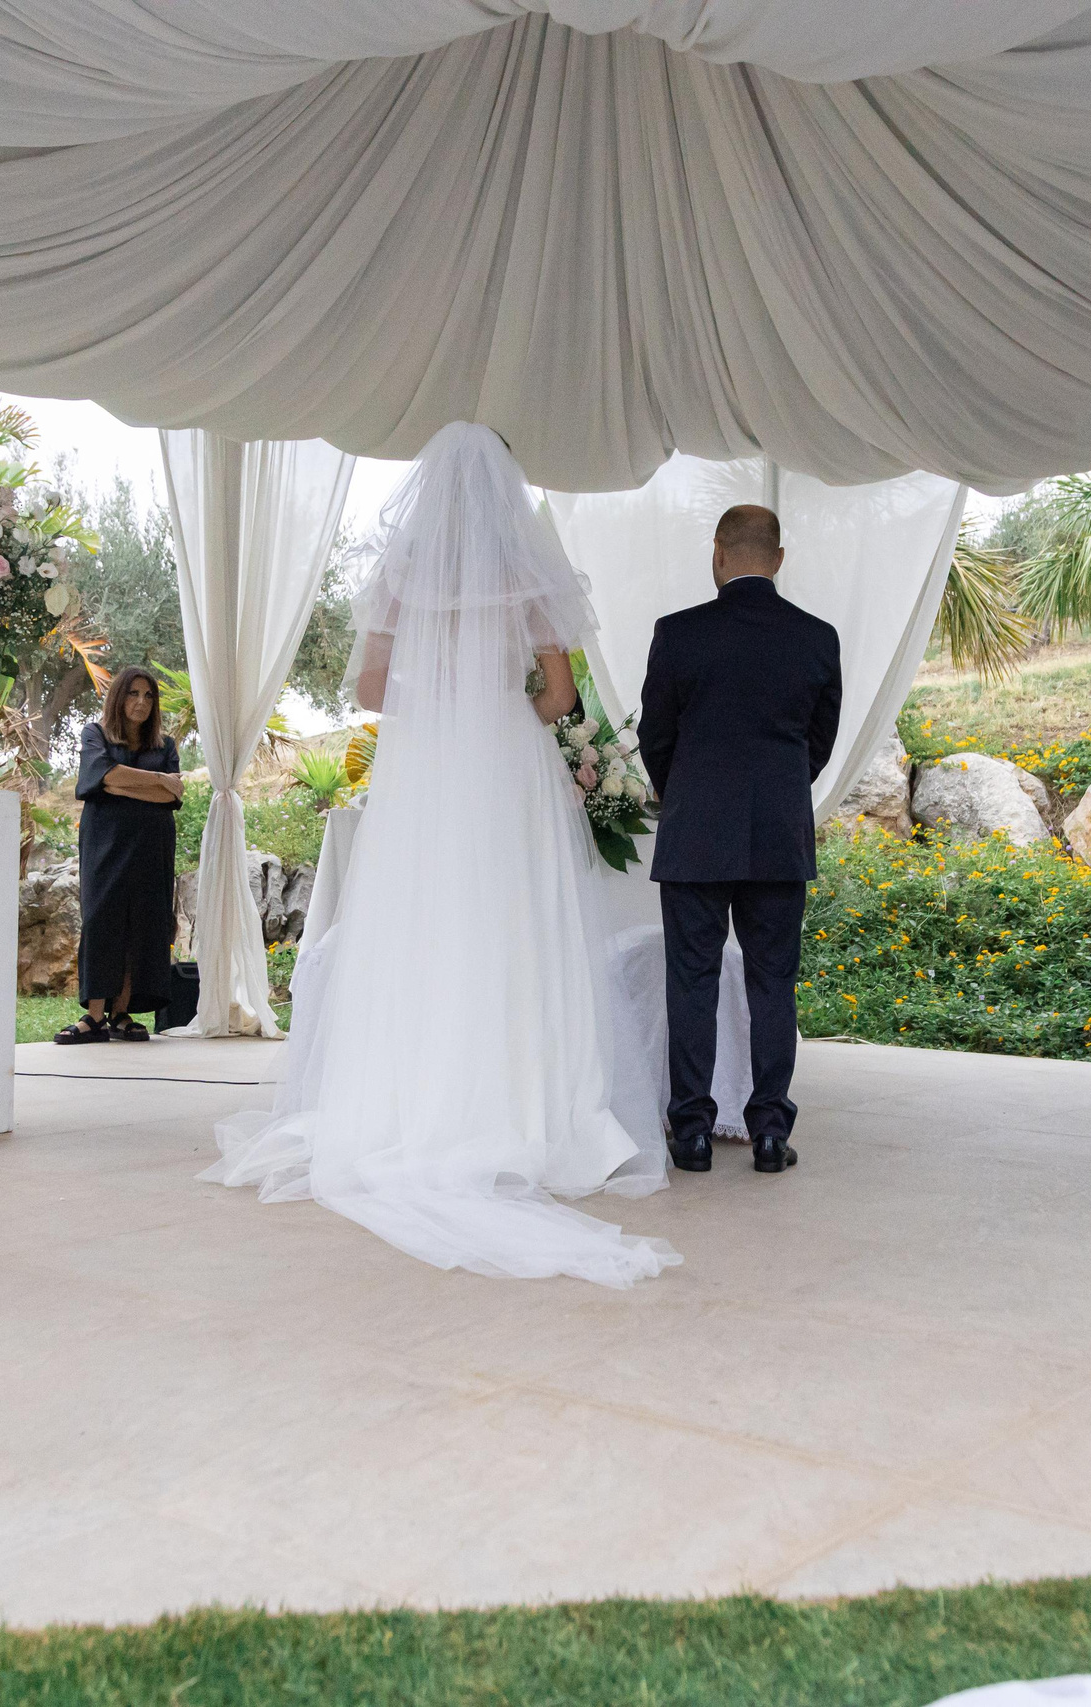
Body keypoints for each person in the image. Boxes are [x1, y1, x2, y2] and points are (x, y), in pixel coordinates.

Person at [201, 422, 678, 1287]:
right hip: (504, 762)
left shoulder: (402, 572)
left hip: (428, 768)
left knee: (420, 928)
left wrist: (441, 694)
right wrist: (503, 701)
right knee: (513, 927)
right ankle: (527, 1111)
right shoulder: (520, 572)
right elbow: (562, 693)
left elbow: (374, 688)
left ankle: (411, 1104)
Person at [639, 504, 843, 1175]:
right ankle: (768, 1134)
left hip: (695, 831)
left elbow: (655, 738)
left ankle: (692, 1132)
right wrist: (780, 791)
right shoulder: (818, 638)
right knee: (772, 982)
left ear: (719, 556)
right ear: (778, 558)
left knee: (692, 979)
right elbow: (818, 743)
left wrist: (688, 792)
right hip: (777, 835)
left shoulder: (678, 634)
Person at [61, 667, 184, 1043]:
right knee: (102, 919)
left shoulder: (165, 745)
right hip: (105, 843)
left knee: (143, 925)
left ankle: (121, 1013)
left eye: (148, 696)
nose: (141, 703)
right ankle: (93, 1016)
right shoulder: (95, 734)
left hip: (152, 847)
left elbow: (172, 796)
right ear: (118, 697)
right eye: (133, 694)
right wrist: (157, 780)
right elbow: (104, 776)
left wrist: (123, 783)